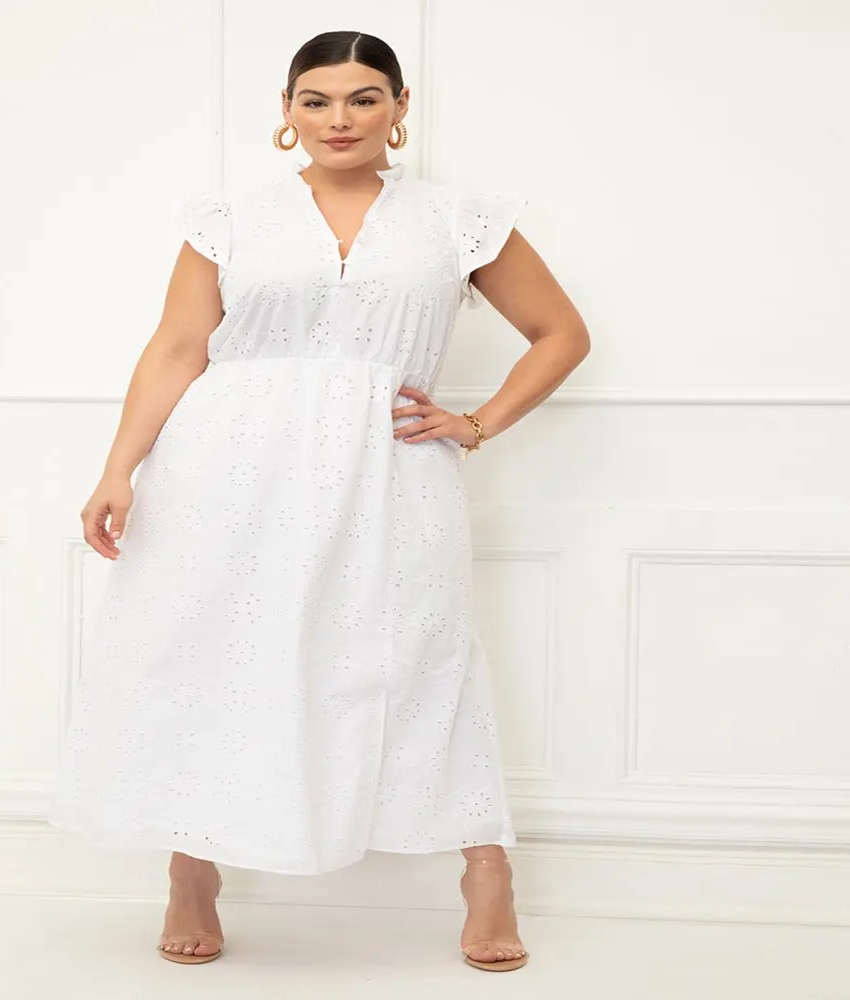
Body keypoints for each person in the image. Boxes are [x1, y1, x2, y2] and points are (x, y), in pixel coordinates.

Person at [47, 30, 590, 973]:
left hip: (390, 469)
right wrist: (117, 470)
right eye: (318, 100)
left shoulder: (459, 221)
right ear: (288, 111)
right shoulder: (229, 220)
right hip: (225, 467)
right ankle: (191, 867)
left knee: (422, 657)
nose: (340, 119)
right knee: (212, 654)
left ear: (400, 108)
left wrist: (477, 423)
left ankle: (486, 869)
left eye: (364, 98)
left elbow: (560, 333)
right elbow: (176, 349)